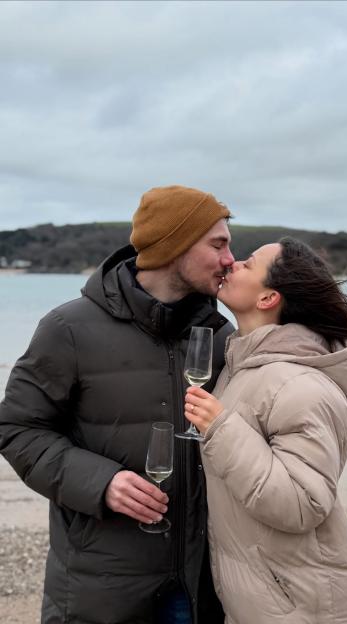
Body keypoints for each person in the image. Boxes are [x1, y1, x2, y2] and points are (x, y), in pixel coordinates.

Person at [0, 185, 235, 624]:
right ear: (175, 245)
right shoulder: (68, 328)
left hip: (197, 585)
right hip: (100, 585)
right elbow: (17, 429)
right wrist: (101, 483)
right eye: (218, 244)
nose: (229, 259)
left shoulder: (221, 336)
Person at [184, 237, 347, 624]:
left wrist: (221, 429)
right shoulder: (242, 366)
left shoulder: (300, 385)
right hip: (274, 599)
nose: (233, 263)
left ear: (267, 299)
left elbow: (301, 503)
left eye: (249, 263)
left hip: (310, 607)